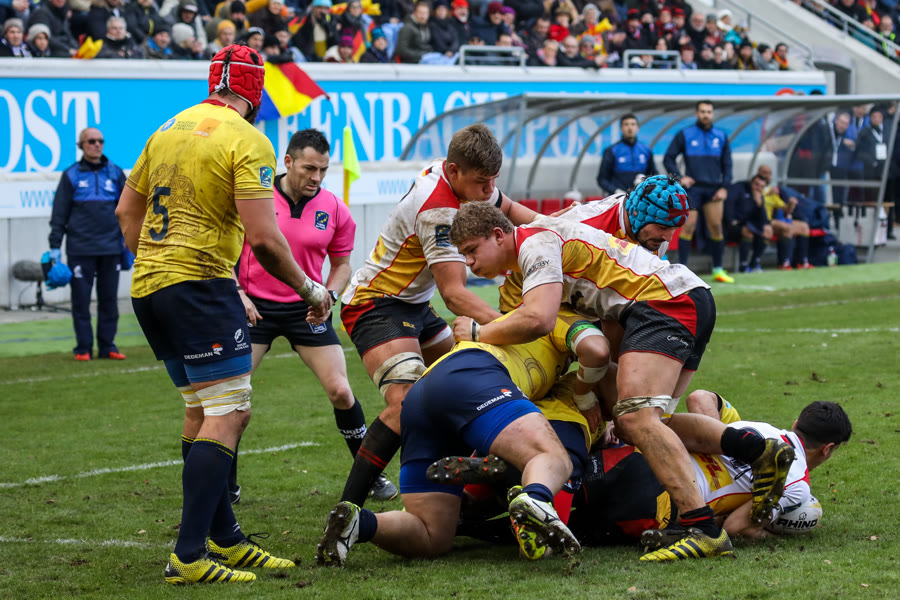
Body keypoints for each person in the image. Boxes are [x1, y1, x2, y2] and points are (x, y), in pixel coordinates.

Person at [448, 200, 796, 561]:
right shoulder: (537, 248)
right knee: (651, 423)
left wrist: (478, 332)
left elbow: (540, 320)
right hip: (684, 296)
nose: (469, 262)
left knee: (636, 420)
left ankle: (703, 530)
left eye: (472, 250)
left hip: (664, 302)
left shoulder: (535, 243)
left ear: (499, 235)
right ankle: (755, 450)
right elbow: (594, 327)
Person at [115, 45, 331, 585]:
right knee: (230, 412)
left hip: (149, 286)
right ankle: (188, 556)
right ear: (255, 93)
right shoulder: (247, 138)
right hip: (199, 286)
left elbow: (125, 212)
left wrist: (159, 263)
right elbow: (264, 238)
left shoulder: (166, 128)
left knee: (202, 410)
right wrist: (310, 288)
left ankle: (225, 538)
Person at [337, 124, 538, 509]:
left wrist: (558, 230)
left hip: (415, 305)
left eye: (493, 181)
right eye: (482, 183)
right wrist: (516, 326)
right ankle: (348, 509)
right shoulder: (438, 210)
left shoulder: (463, 178)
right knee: (406, 403)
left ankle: (469, 477)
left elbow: (514, 212)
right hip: (376, 303)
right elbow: (455, 294)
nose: (489, 190)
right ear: (454, 170)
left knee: (465, 385)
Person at [316, 312, 604, 566]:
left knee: (432, 535)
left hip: (424, 391)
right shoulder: (556, 315)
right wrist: (586, 395)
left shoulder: (520, 318)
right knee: (553, 457)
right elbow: (597, 351)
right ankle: (535, 498)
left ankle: (359, 523)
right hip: (475, 375)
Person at [231, 129, 395, 502]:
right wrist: (237, 293)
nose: (316, 177)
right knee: (234, 397)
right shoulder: (255, 198)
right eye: (309, 168)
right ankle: (226, 485)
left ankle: (371, 477)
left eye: (322, 169)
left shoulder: (335, 209)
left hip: (307, 309)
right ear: (288, 162)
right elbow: (226, 251)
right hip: (254, 309)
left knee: (341, 391)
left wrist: (329, 296)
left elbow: (342, 265)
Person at [48, 127, 127, 362]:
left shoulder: (115, 172)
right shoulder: (71, 175)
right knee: (81, 302)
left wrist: (129, 240)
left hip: (111, 248)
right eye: (91, 141)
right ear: (81, 145)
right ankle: (83, 348)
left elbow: (128, 209)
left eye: (100, 140)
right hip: (80, 249)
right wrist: (54, 248)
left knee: (109, 301)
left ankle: (107, 346)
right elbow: (59, 214)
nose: (97, 144)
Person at [663, 99, 735, 283]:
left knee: (716, 227)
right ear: (697, 114)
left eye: (709, 112)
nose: (705, 115)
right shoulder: (685, 134)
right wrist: (680, 178)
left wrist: (724, 187)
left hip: (714, 189)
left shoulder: (721, 136)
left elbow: (727, 165)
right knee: (688, 227)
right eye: (702, 112)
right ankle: (682, 271)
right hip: (692, 188)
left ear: (713, 114)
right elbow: (668, 158)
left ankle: (718, 270)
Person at [596, 114, 658, 196]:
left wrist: (646, 182)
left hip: (640, 197)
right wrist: (616, 191)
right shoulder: (611, 151)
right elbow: (602, 179)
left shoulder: (646, 150)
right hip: (619, 198)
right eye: (626, 124)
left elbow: (654, 174)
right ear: (621, 128)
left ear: (638, 128)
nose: (630, 128)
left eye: (633, 124)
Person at [723, 174, 771, 273]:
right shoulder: (739, 188)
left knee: (767, 231)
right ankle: (743, 266)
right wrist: (731, 219)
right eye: (756, 184)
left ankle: (754, 264)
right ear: (751, 182)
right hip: (731, 226)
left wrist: (759, 204)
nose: (758, 188)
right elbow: (729, 204)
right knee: (748, 231)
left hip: (749, 225)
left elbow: (763, 220)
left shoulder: (759, 196)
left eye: (762, 186)